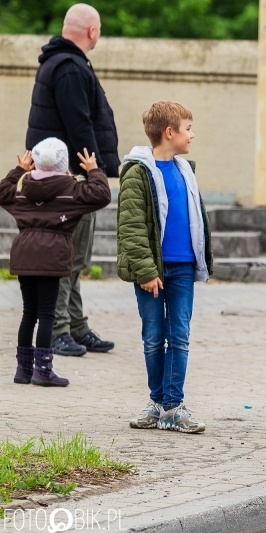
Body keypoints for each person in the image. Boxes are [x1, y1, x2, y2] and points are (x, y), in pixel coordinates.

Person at [25, 3, 119, 357]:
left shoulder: (61, 63)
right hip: (73, 180)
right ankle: (60, 330)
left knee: (75, 257)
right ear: (92, 31)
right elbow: (80, 124)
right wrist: (94, 172)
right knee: (67, 257)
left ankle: (76, 326)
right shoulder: (69, 68)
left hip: (66, 177)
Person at [119, 101, 212, 434]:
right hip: (152, 271)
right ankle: (157, 403)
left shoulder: (186, 169)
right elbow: (131, 227)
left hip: (183, 268)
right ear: (169, 132)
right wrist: (145, 271)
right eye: (188, 128)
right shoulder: (137, 172)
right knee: (154, 337)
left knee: (180, 336)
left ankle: (173, 406)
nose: (192, 134)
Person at [0, 138, 111, 387]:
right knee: (47, 315)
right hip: (52, 257)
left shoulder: (23, 190)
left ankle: (23, 369)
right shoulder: (71, 191)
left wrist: (19, 171)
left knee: (28, 313)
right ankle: (43, 370)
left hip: (25, 254)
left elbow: (2, 192)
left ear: (35, 162)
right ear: (63, 164)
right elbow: (102, 195)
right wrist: (93, 170)